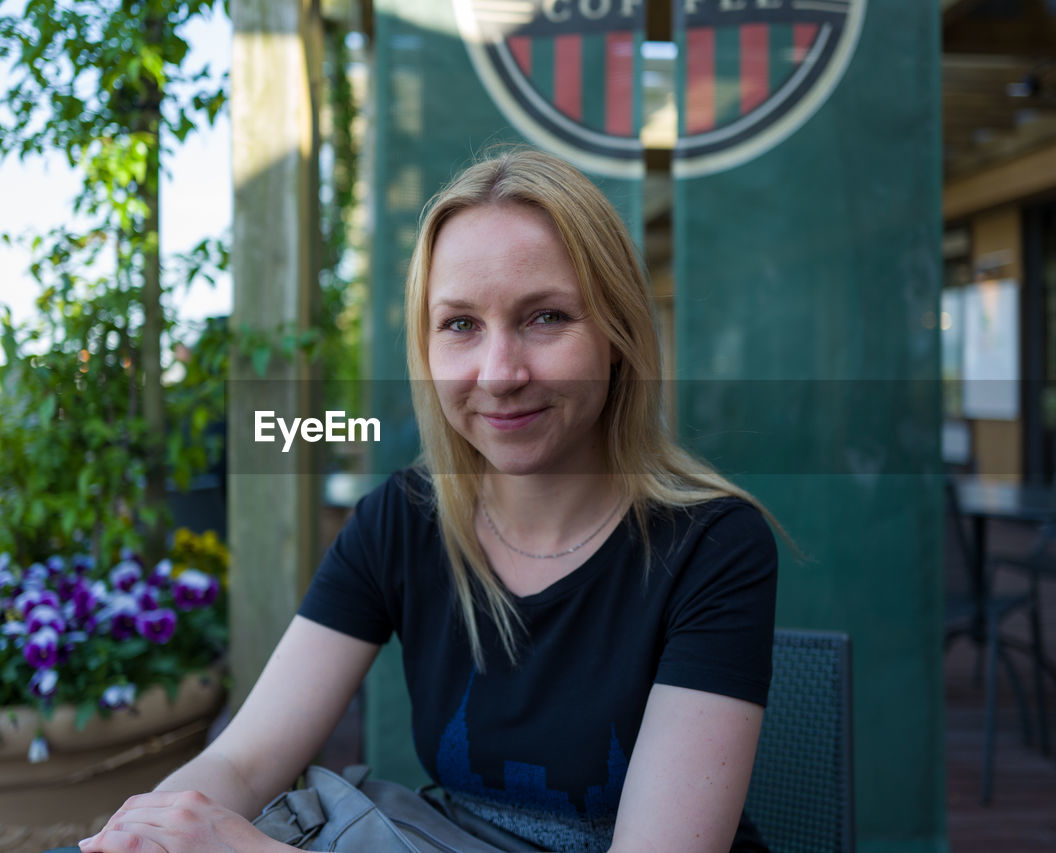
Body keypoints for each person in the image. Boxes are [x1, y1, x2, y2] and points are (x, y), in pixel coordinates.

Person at [77, 148, 778, 853]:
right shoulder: (403, 518)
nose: (499, 373)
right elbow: (243, 758)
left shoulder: (713, 544)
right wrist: (142, 837)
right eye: (461, 324)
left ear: (617, 336)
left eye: (545, 317)